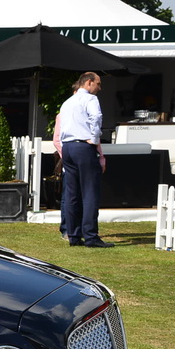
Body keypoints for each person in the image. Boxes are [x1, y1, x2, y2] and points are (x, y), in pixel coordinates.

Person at [55, 71, 111, 248]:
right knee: (89, 192)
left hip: (68, 147)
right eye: (98, 84)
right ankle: (91, 236)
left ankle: (73, 235)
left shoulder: (67, 102)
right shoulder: (90, 99)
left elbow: (63, 126)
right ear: (88, 83)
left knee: (72, 193)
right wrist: (94, 139)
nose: (99, 88)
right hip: (83, 146)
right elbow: (96, 118)